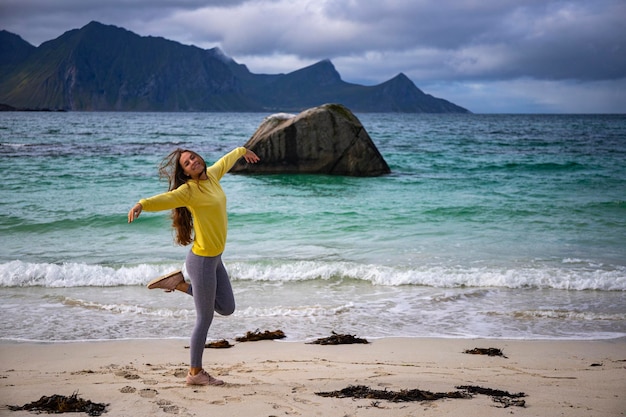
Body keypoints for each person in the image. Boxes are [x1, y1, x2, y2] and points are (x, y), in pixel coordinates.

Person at [127, 147, 260, 386]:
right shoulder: (188, 191)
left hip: (215, 258)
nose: (193, 162)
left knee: (227, 308)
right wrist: (141, 204)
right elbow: (165, 199)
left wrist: (242, 151)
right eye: (187, 163)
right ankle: (195, 373)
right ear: (186, 173)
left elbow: (226, 160)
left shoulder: (213, 175)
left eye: (193, 157)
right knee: (204, 318)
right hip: (201, 262)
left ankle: (177, 284)